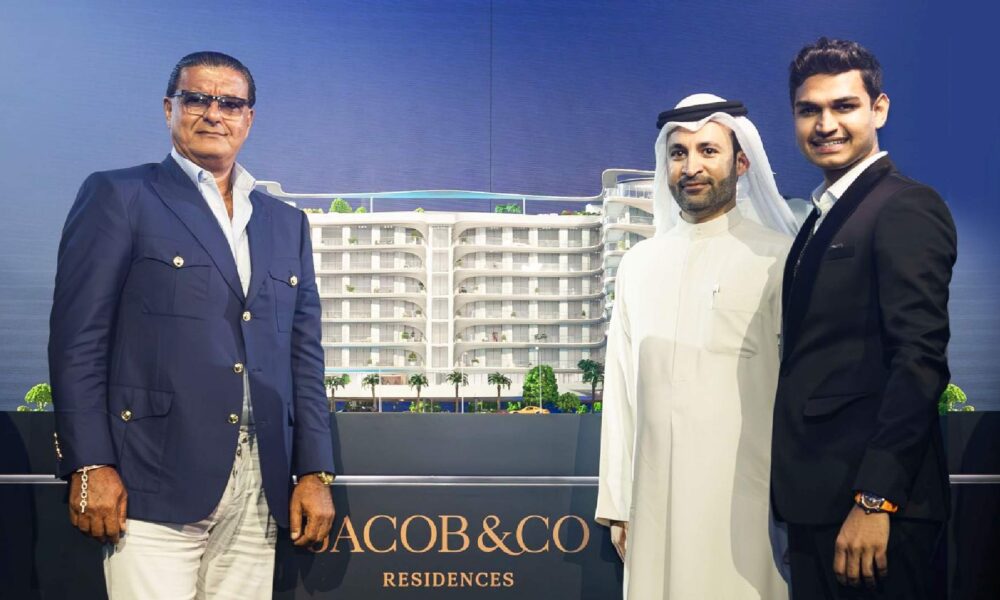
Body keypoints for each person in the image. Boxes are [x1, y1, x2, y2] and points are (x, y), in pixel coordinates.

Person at [48, 51, 336, 599]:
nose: (213, 113)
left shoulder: (285, 223)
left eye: (229, 103)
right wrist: (89, 462)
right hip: (149, 476)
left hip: (261, 482)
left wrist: (314, 472)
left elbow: (304, 355)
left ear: (248, 118)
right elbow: (77, 341)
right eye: (197, 99)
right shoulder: (121, 196)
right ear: (169, 108)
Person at [771, 38, 956, 599]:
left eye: (844, 106)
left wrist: (874, 499)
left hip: (873, 514)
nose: (825, 124)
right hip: (818, 503)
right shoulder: (824, 213)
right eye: (810, 110)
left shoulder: (905, 206)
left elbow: (919, 361)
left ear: (879, 109)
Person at [596, 93, 798, 599]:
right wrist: (619, 502)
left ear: (741, 161)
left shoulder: (779, 258)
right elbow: (620, 391)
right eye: (679, 153)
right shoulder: (639, 265)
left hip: (749, 503)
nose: (692, 166)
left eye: (708, 150)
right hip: (656, 499)